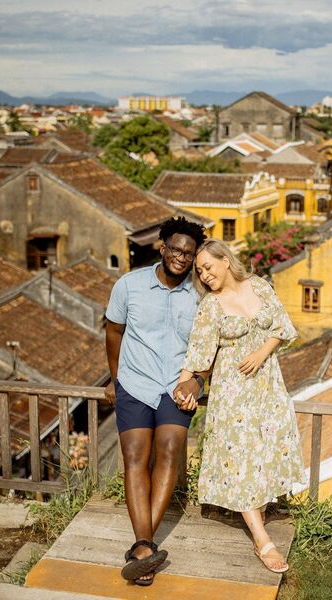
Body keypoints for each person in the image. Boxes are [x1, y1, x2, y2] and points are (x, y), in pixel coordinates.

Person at [173, 239, 306, 574]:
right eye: (199, 271)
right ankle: (262, 540)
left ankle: (258, 513)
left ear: (226, 261)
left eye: (207, 266)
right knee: (241, 459)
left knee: (264, 452)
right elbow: (198, 352)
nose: (203, 275)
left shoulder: (259, 285)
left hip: (268, 387)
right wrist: (183, 382)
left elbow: (282, 328)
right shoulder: (211, 306)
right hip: (233, 393)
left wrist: (262, 352)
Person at [104, 216, 208, 585]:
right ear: (161, 247)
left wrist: (197, 381)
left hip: (176, 386)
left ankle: (142, 548)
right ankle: (144, 546)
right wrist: (116, 379)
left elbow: (210, 347)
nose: (181, 257)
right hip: (134, 383)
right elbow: (114, 332)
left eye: (189, 253)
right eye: (176, 249)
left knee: (169, 449)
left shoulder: (200, 295)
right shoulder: (129, 286)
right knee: (135, 456)